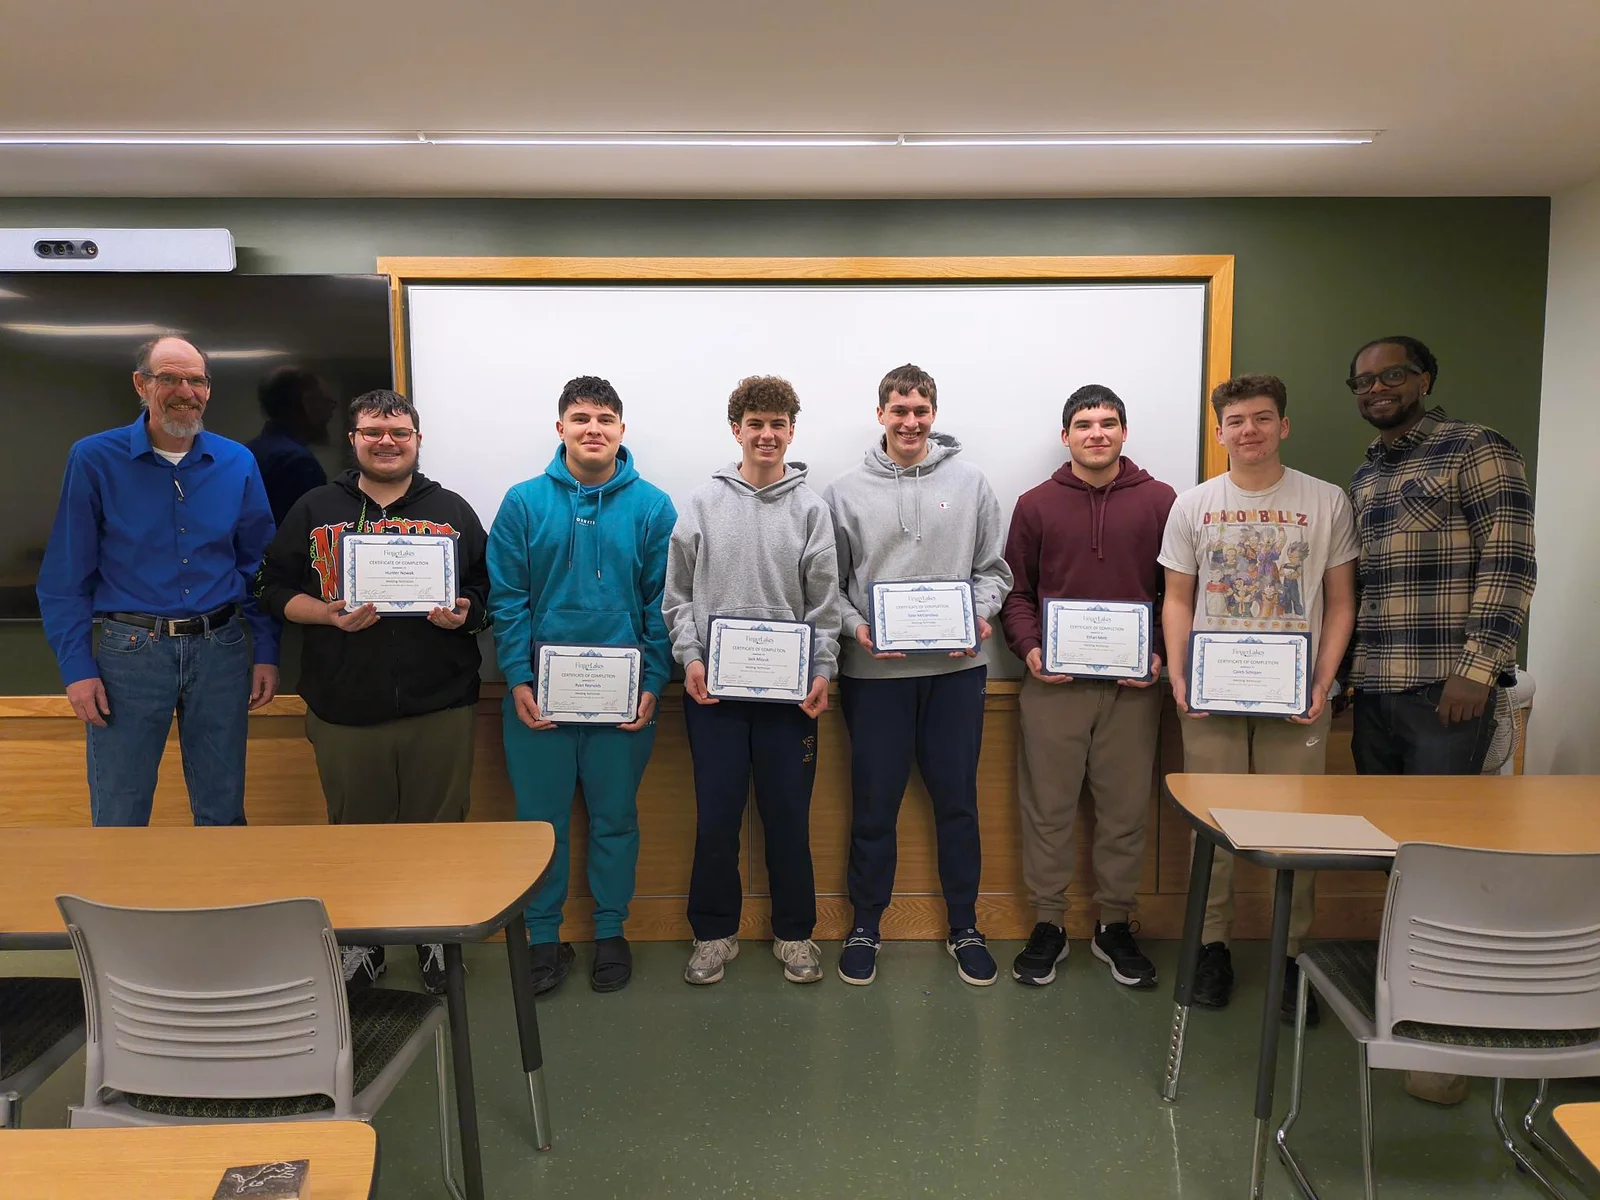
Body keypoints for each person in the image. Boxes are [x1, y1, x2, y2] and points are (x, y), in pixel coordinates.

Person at [1344, 335, 1536, 1105]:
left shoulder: (1474, 448)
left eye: (1393, 374)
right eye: (1364, 380)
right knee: (1396, 864)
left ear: (1424, 377)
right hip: (1378, 692)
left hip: (1447, 691)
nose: (1378, 387)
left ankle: (1449, 1045)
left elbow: (1512, 560)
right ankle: (1402, 1013)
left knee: (1449, 864)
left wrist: (1478, 668)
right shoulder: (1366, 474)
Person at [255, 388, 489, 995]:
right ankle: (363, 942)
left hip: (441, 702)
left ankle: (435, 935)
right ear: (354, 440)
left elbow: (488, 595)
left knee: (438, 826)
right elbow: (271, 586)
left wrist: (464, 613)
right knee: (356, 831)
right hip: (343, 704)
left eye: (398, 432)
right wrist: (327, 614)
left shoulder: (454, 510)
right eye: (373, 431)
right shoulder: (314, 508)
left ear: (416, 439)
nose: (387, 442)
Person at [1159, 374, 1357, 1025]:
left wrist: (1324, 680)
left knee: (1297, 831)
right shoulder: (1192, 506)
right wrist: (1183, 679)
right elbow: (1179, 599)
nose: (1249, 430)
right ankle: (1212, 946)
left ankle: (1290, 957)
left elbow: (1341, 601)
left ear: (1283, 426)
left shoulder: (1326, 502)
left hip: (1297, 693)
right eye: (1237, 420)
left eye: (1262, 418)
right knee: (1211, 824)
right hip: (1213, 695)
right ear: (1219, 432)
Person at [37, 335, 279, 827]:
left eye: (195, 379)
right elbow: (65, 576)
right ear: (141, 384)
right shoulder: (94, 458)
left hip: (222, 650)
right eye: (168, 377)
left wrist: (268, 653)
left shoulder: (238, 462)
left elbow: (260, 567)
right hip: (130, 653)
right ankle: (117, 903)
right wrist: (76, 668)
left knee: (223, 807)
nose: (183, 390)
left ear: (208, 390)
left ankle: (224, 903)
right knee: (120, 810)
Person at [822, 364, 1012, 987]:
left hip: (958, 673)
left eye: (920, 410)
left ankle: (964, 926)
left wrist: (980, 616)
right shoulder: (842, 492)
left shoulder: (973, 482)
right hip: (874, 677)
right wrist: (859, 632)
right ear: (881, 415)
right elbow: (831, 590)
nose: (910, 421)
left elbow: (994, 572)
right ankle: (865, 926)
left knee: (958, 804)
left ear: (934, 413)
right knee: (874, 806)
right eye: (899, 410)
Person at [487, 376, 676, 996]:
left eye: (604, 419)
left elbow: (661, 604)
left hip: (623, 700)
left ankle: (611, 930)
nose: (592, 428)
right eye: (580, 417)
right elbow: (508, 600)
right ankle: (544, 937)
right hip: (536, 697)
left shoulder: (653, 507)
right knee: (541, 822)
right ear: (560, 427)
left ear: (622, 431)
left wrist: (652, 681)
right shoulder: (521, 503)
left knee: (615, 818)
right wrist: (516, 676)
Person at [665, 375, 839, 987]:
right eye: (756, 423)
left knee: (788, 817)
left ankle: (795, 934)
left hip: (790, 699)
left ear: (792, 431)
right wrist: (689, 657)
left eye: (778, 424)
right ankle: (713, 934)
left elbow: (824, 603)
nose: (767, 434)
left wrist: (822, 670)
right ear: (736, 429)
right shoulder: (702, 504)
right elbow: (678, 596)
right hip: (713, 694)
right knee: (716, 817)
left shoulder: (811, 508)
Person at [1001, 384, 1175, 989]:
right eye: (1083, 424)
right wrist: (1029, 649)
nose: (1096, 433)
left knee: (1124, 812)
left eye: (1107, 423)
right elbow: (1015, 594)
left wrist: (1157, 654)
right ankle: (1048, 923)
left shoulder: (1161, 501)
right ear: (1066, 435)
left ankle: (1114, 925)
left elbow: (1173, 595)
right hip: (1055, 685)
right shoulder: (1035, 504)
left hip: (1134, 687)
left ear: (1124, 432)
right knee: (1047, 808)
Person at [246, 366, 337, 525]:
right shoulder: (298, 462)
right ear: (308, 403)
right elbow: (308, 533)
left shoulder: (246, 453)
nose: (330, 414)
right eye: (328, 404)